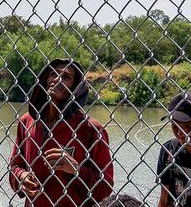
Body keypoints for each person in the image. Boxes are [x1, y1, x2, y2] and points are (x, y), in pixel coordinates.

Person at [8, 58, 113, 207]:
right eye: (53, 74)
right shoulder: (27, 121)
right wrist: (21, 177)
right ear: (45, 80)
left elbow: (105, 189)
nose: (57, 79)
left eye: (66, 77)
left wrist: (76, 170)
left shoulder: (90, 129)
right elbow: (15, 165)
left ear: (76, 88)